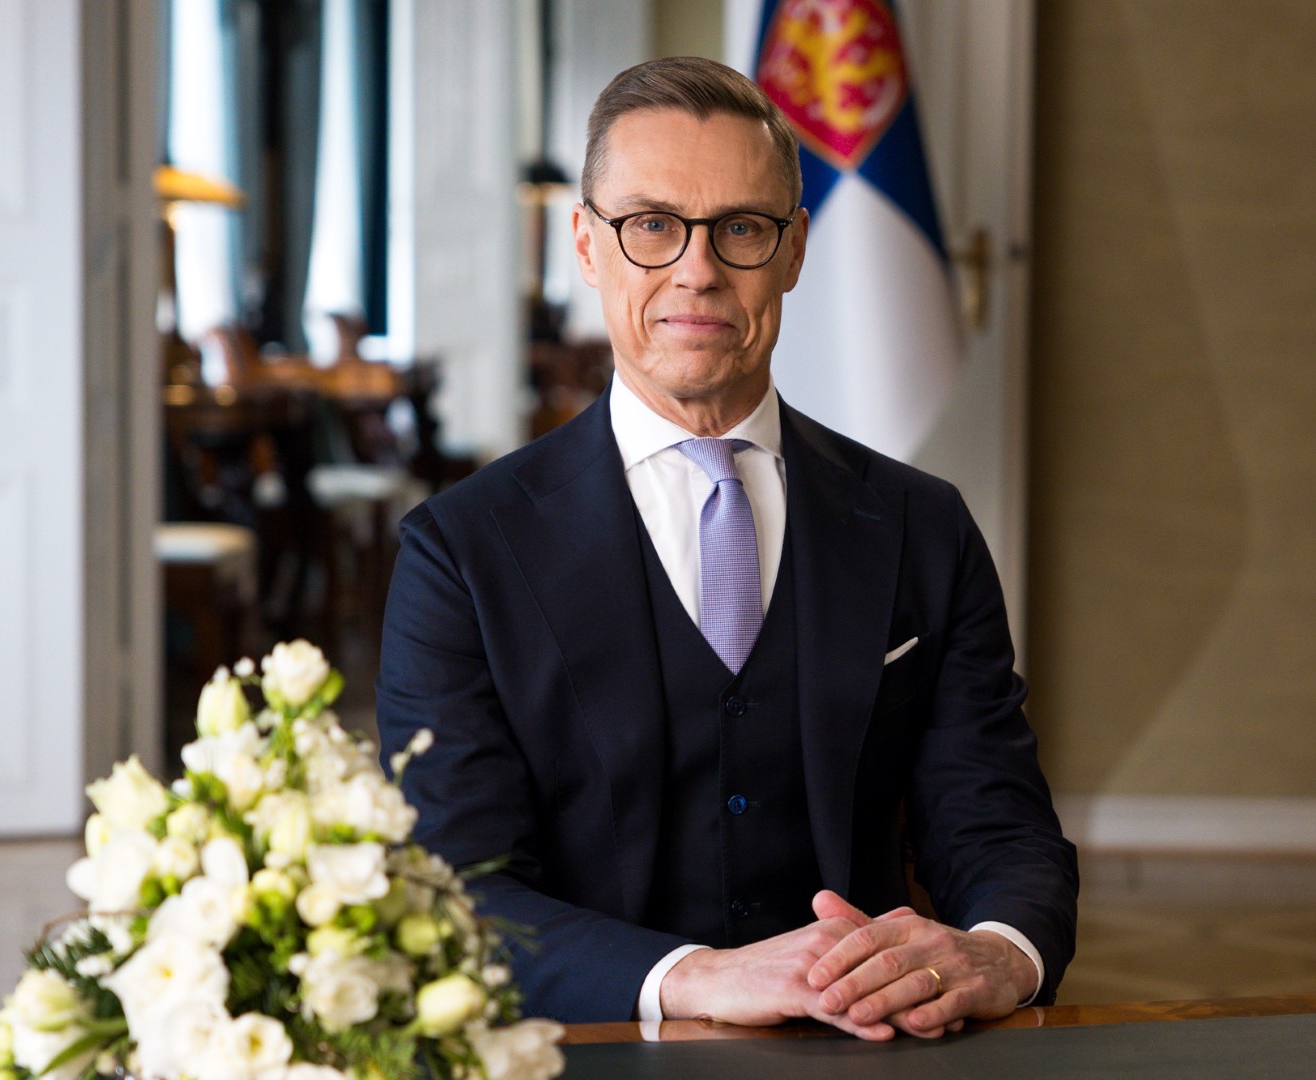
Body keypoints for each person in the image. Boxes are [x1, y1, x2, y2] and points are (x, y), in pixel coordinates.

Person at [376, 56, 1077, 1040]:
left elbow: (996, 819)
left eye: (740, 228)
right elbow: (453, 887)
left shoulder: (925, 526)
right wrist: (693, 976)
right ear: (586, 243)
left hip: (862, 1054)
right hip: (583, 1053)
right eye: (651, 226)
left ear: (793, 252)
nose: (696, 270)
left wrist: (999, 951)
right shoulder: (461, 552)